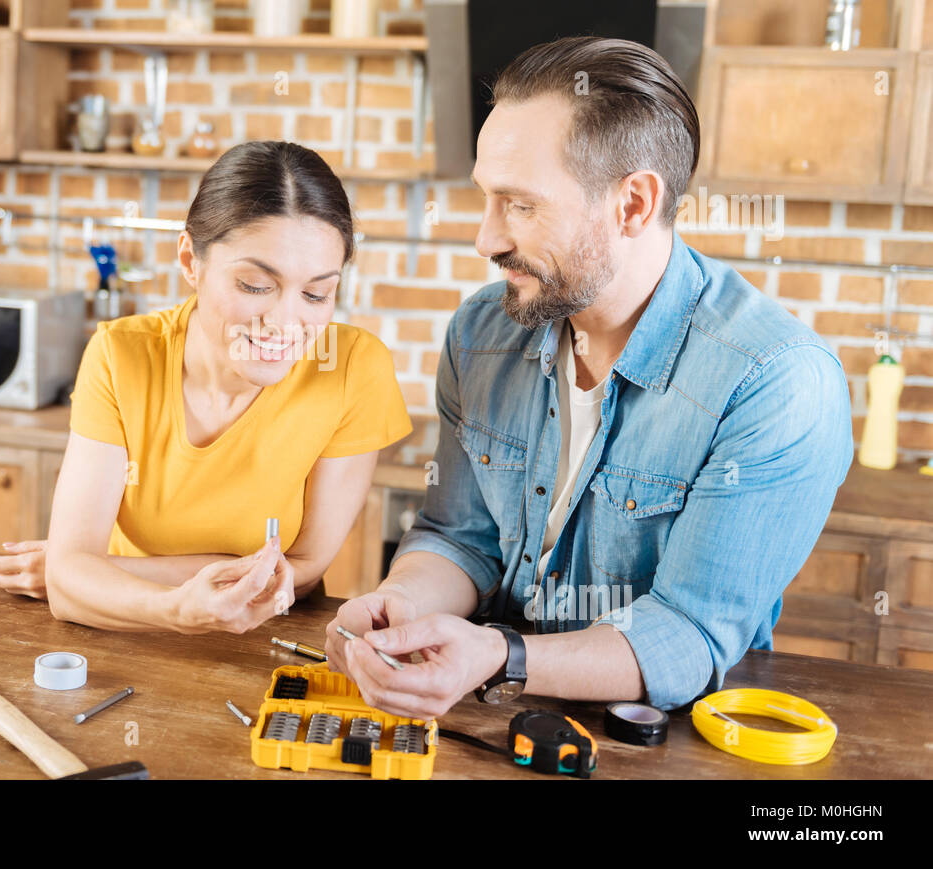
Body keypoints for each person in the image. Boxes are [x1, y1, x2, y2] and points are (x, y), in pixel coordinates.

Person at [326, 36, 853, 715]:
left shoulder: (776, 383)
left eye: (519, 204)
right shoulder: (482, 334)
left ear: (632, 204)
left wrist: (502, 655)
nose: (485, 238)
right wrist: (401, 607)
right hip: (478, 720)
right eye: (486, 198)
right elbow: (457, 538)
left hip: (660, 744)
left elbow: (689, 632)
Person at [0, 140, 413, 632]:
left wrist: (93, 574)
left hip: (263, 643)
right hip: (121, 638)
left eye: (317, 293)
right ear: (190, 260)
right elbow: (68, 582)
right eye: (255, 285)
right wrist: (176, 608)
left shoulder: (353, 367)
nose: (285, 323)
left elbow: (301, 572)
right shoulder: (121, 354)